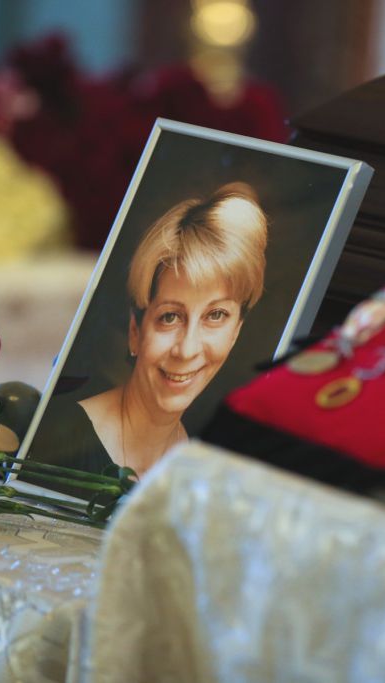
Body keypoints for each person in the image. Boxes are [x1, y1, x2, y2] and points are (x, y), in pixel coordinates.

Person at [36, 183, 268, 478]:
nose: (187, 350)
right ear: (135, 331)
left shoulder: (197, 466)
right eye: (170, 317)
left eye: (216, 315)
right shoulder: (62, 440)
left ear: (236, 331)